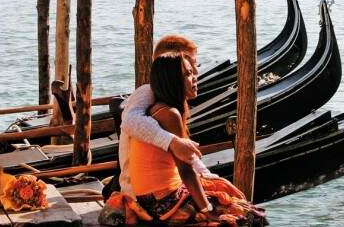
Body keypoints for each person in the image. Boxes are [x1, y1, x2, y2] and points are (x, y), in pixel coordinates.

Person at [129, 52, 266, 225]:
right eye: (187, 74)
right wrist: (207, 210)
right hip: (162, 202)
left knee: (223, 191)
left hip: (151, 198)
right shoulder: (170, 114)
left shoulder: (160, 109)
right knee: (251, 216)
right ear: (172, 81)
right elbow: (185, 171)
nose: (194, 78)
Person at [103, 35, 203, 201]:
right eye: (190, 64)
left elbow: (185, 153)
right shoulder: (147, 92)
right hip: (138, 192)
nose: (196, 71)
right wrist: (172, 142)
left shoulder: (168, 102)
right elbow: (130, 122)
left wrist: (205, 173)